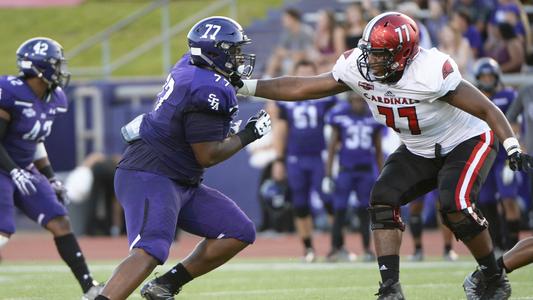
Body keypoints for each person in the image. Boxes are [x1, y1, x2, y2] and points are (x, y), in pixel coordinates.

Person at [236, 12, 533, 299]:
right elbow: (302, 86)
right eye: (370, 51)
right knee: (382, 199)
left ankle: (493, 278)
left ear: (403, 54)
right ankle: (390, 289)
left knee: (454, 204)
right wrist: (247, 86)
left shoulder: (430, 71)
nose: (371, 60)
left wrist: (512, 146)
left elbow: (487, 109)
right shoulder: (358, 66)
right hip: (418, 147)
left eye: (380, 54)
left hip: (466, 141)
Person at [95, 16, 271, 300]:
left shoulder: (190, 64)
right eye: (233, 50)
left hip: (179, 177)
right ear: (215, 52)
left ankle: (164, 284)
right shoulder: (209, 87)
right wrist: (249, 134)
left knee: (238, 230)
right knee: (150, 250)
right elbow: (207, 155)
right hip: (152, 173)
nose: (238, 57)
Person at [0, 37, 103, 300]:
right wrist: (13, 171)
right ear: (38, 68)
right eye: (55, 64)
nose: (60, 70)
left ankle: (89, 288)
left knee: (60, 221)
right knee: (3, 231)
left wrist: (51, 178)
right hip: (4, 168)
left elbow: (35, 141)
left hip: (23, 168)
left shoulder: (54, 97)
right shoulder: (10, 92)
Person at [271, 60, 337, 262]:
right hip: (296, 158)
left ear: (316, 73)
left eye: (310, 72)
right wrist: (279, 159)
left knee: (329, 201)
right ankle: (308, 249)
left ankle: (337, 245)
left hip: (319, 157)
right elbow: (281, 130)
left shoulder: (325, 98)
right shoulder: (286, 101)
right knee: (300, 204)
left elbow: (337, 125)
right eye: (302, 73)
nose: (306, 77)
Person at [322, 91, 383, 262]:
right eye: (355, 100)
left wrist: (382, 174)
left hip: (365, 171)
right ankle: (335, 248)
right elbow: (332, 148)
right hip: (346, 170)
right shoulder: (340, 118)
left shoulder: (373, 118)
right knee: (339, 209)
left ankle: (367, 249)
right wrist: (328, 175)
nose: (358, 103)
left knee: (365, 211)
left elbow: (378, 150)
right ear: (349, 100)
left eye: (361, 100)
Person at [474, 57, 521, 251]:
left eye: (489, 76)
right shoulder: (474, 97)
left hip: (503, 154)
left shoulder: (508, 96)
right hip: (484, 154)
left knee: (508, 198)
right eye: (483, 76)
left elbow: (515, 125)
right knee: (485, 201)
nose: (486, 79)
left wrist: (514, 153)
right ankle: (497, 243)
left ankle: (513, 243)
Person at [263, 8, 313, 78]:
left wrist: (286, 53)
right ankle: (266, 79)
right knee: (274, 58)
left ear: (293, 19)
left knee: (296, 60)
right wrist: (289, 54)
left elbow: (304, 54)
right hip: (290, 58)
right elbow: (278, 50)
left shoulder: (306, 32)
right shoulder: (287, 32)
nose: (283, 20)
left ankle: (288, 84)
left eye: (286, 18)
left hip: (305, 61)